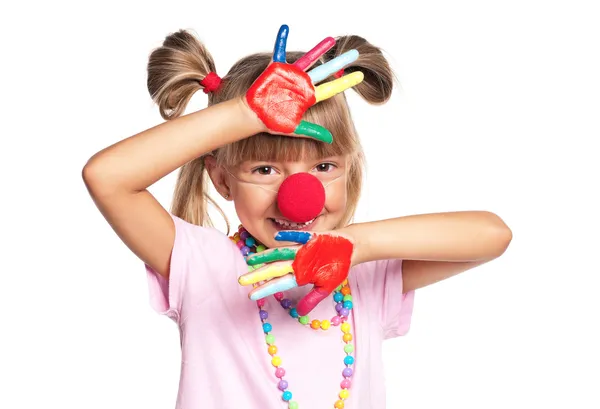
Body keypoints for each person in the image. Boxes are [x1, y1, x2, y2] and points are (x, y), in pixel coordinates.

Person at [83, 24, 512, 409]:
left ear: (350, 170)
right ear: (222, 179)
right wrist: (245, 116)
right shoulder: (203, 266)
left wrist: (356, 246)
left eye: (324, 168)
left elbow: (493, 234)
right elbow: (107, 177)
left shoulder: (362, 275)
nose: (297, 198)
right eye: (265, 169)